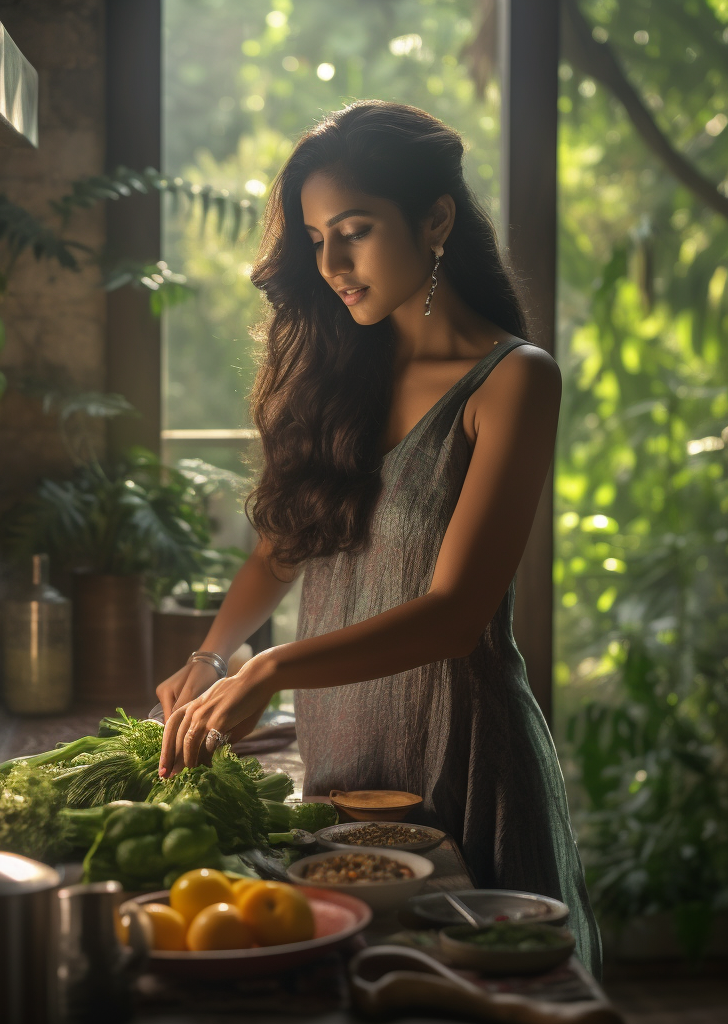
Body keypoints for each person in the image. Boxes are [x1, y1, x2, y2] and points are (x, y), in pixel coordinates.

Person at [155, 100, 601, 977]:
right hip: (342, 747)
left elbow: (455, 614)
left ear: (436, 219)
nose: (331, 265)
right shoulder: (341, 369)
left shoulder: (512, 381)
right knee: (353, 984)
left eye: (353, 232)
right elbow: (283, 547)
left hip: (458, 745)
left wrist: (272, 666)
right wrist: (211, 658)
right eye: (317, 238)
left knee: (476, 987)